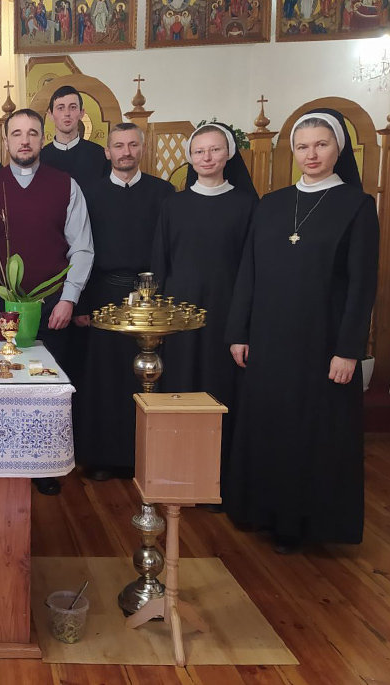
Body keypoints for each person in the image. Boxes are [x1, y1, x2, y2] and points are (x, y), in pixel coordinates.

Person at [225, 109, 379, 553]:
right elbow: (248, 275)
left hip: (322, 345)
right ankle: (263, 511)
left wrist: (348, 350)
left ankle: (304, 522)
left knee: (310, 433)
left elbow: (361, 284)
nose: (311, 154)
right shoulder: (271, 204)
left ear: (338, 149)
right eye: (302, 146)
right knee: (269, 427)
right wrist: (239, 331)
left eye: (321, 145)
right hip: (269, 342)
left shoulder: (356, 206)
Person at [0, 109, 95, 496]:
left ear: (42, 138)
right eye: (16, 134)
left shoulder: (65, 185)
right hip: (0, 311)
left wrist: (69, 299)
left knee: (45, 389)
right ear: (6, 140)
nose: (24, 140)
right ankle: (4, 459)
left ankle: (45, 465)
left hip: (52, 308)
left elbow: (81, 248)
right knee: (3, 385)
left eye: (32, 133)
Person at [150, 122, 257, 505]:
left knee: (218, 394)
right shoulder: (173, 205)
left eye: (214, 150)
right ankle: (177, 477)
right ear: (190, 158)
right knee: (178, 392)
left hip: (225, 318)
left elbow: (252, 269)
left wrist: (242, 325)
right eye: (199, 152)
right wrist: (157, 318)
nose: (206, 158)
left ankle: (215, 482)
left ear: (227, 154)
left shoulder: (246, 205)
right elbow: (159, 265)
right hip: (179, 317)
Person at [78, 123, 173, 482]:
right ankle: (106, 456)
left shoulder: (164, 193)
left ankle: (147, 455)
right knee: (105, 377)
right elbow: (81, 251)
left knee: (147, 374)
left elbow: (168, 250)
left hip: (149, 295)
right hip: (104, 293)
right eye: (118, 145)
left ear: (142, 148)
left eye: (132, 145)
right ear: (107, 152)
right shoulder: (90, 193)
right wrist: (84, 303)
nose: (126, 152)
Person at [40, 85, 108, 188]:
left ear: (81, 113)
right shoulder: (40, 158)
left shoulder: (100, 156)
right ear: (50, 115)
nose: (67, 113)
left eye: (72, 107)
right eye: (60, 108)